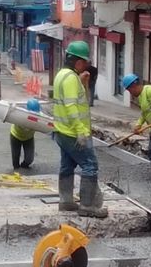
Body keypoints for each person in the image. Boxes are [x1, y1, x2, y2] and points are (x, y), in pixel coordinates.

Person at [52, 40, 106, 218]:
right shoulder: (70, 79)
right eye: (85, 62)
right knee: (90, 165)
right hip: (72, 132)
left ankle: (66, 201)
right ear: (78, 62)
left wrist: (82, 83)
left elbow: (77, 99)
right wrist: (80, 131)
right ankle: (87, 206)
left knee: (67, 165)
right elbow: (71, 106)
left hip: (62, 131)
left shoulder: (62, 75)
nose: (86, 66)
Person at [10, 98, 41, 170]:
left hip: (28, 138)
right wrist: (12, 109)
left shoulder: (39, 116)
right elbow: (10, 114)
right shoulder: (20, 115)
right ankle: (17, 170)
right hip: (15, 136)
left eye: (36, 113)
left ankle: (24, 165)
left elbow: (46, 122)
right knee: (15, 160)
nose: (34, 114)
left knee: (29, 159)